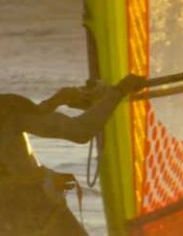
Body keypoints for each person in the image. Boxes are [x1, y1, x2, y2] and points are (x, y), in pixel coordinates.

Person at [0, 74, 147, 236]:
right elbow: (81, 131)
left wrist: (56, 100)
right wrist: (119, 91)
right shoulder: (8, 111)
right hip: (34, 207)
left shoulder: (8, 110)